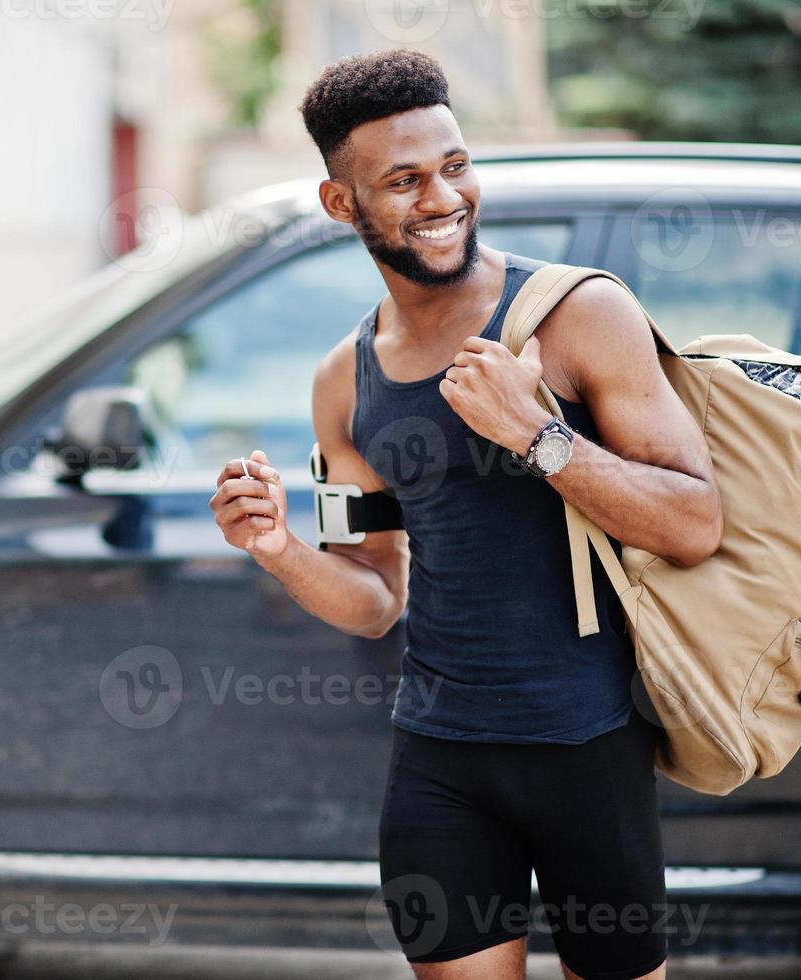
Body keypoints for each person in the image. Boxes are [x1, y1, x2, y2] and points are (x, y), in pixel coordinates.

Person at [208, 49, 722, 980]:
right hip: (439, 757)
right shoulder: (343, 381)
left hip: (588, 748)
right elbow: (374, 597)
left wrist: (537, 435)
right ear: (342, 205)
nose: (441, 198)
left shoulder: (577, 315)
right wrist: (277, 546)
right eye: (402, 181)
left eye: (453, 167)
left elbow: (693, 522)